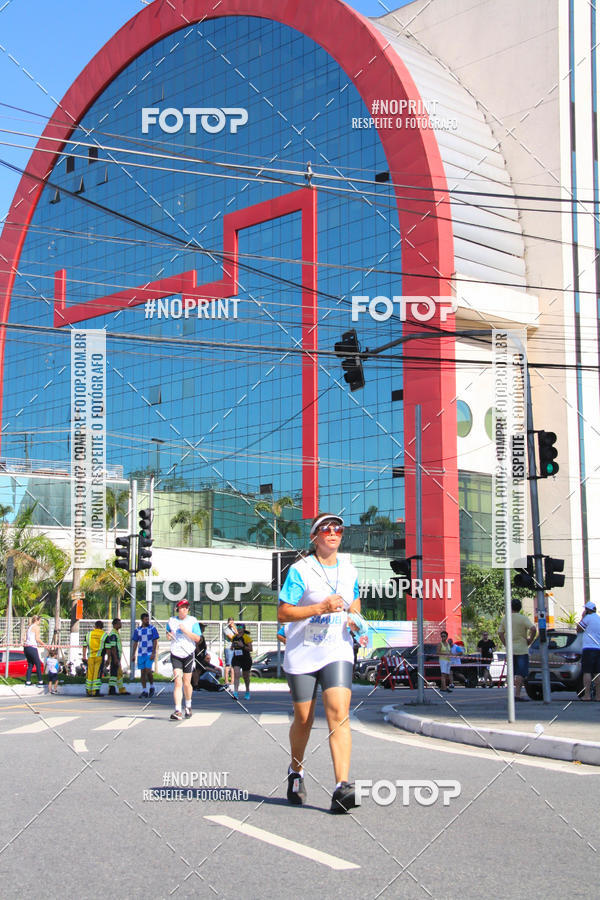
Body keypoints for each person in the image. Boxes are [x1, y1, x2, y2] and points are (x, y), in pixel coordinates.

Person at [278, 512, 361, 814]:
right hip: (303, 652)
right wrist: (320, 607)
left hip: (337, 648)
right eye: (325, 529)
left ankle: (342, 786)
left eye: (337, 528)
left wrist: (355, 620)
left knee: (339, 712)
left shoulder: (350, 570)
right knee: (304, 719)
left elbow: (354, 602)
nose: (333, 532)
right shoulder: (301, 570)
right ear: (314, 537)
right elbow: (284, 613)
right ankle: (296, 771)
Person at [166, 599, 202, 720]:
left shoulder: (193, 621)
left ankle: (188, 705)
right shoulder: (172, 621)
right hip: (176, 653)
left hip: (188, 653)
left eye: (186, 607)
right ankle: (177, 710)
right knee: (177, 681)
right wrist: (170, 634)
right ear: (177, 609)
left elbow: (197, 638)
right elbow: (167, 635)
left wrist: (185, 631)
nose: (184, 609)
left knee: (187, 683)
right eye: (182, 607)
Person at [499, 598, 536, 701]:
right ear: (520, 607)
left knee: (511, 672)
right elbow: (533, 629)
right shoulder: (523, 618)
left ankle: (511, 694)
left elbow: (500, 633)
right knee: (520, 673)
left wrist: (506, 644)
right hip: (522, 649)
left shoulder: (505, 618)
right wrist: (530, 640)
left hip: (510, 649)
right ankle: (517, 694)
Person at [132, 612, 159, 698]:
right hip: (141, 653)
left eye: (148, 619)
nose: (147, 621)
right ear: (142, 620)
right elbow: (135, 642)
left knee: (148, 670)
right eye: (146, 619)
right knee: (142, 672)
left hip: (149, 653)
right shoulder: (137, 630)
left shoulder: (152, 628)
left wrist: (153, 652)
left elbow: (155, 641)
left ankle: (152, 686)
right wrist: (133, 654)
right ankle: (144, 690)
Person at [577, 601, 600, 701]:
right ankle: (599, 696)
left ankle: (587, 695)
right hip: (598, 648)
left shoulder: (587, 618)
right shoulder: (598, 619)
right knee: (597, 673)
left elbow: (579, 629)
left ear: (587, 610)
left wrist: (582, 617)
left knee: (587, 672)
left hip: (588, 649)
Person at [104, 618, 130, 696]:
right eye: (119, 623)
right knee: (114, 674)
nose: (120, 625)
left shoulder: (116, 633)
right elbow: (113, 647)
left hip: (117, 656)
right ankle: (112, 689)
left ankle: (121, 689)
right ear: (115, 625)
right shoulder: (113, 634)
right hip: (115, 656)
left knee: (119, 673)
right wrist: (115, 658)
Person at [83, 620, 107, 696]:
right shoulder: (104, 635)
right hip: (99, 657)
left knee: (89, 674)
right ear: (102, 627)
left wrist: (84, 656)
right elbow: (108, 648)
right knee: (97, 674)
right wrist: (109, 658)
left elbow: (84, 646)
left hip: (90, 657)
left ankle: (88, 691)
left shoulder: (88, 634)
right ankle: (95, 691)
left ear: (95, 626)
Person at [23, 615, 48, 686]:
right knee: (38, 664)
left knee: (30, 664)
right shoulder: (36, 627)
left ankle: (28, 681)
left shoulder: (29, 626)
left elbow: (25, 638)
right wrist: (45, 645)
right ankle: (40, 681)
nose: (40, 622)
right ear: (37, 620)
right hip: (32, 647)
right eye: (40, 620)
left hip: (26, 647)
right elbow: (37, 639)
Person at [231, 625, 253, 700]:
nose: (239, 630)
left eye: (240, 628)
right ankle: (235, 692)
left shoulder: (246, 637)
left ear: (244, 629)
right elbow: (231, 647)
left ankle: (247, 691)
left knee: (245, 676)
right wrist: (233, 646)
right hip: (237, 658)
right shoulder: (234, 637)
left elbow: (250, 649)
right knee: (236, 674)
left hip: (245, 658)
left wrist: (242, 646)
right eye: (238, 628)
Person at [222, 617, 237, 688]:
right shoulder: (226, 629)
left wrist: (234, 628)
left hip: (234, 647)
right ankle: (226, 680)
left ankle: (233, 681)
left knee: (233, 665)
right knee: (228, 664)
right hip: (228, 648)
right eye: (230, 622)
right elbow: (232, 638)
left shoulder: (234, 628)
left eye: (232, 622)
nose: (231, 623)